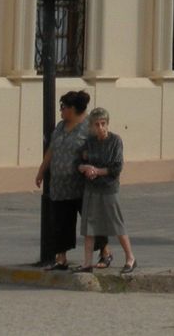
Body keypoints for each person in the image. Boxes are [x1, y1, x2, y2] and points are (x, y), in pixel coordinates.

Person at [33, 90, 111, 271]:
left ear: (73, 109)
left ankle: (105, 252)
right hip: (60, 186)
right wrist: (41, 171)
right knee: (61, 221)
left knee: (91, 220)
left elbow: (101, 150)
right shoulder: (61, 127)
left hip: (82, 186)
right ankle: (61, 258)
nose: (60, 111)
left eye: (63, 107)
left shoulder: (89, 128)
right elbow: (51, 150)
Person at [76, 108, 136, 274]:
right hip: (91, 188)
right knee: (89, 225)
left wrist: (97, 171)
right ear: (92, 127)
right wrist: (85, 168)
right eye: (97, 124)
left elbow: (116, 167)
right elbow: (79, 162)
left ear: (107, 124)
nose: (101, 127)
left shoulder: (115, 141)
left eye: (103, 124)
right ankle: (87, 263)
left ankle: (130, 258)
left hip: (109, 188)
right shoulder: (89, 142)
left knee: (117, 223)